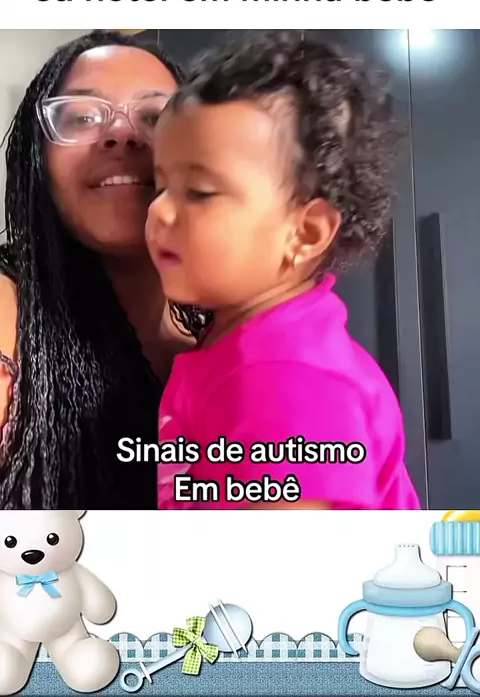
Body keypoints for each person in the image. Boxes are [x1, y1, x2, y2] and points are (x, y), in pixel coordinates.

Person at [146, 31, 421, 510]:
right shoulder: (247, 346)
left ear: (306, 233)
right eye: (160, 186)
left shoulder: (286, 377)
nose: (158, 211)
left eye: (200, 193)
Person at [0, 29, 194, 509]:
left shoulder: (237, 326)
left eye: (155, 116)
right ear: (37, 158)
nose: (120, 133)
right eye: (82, 116)